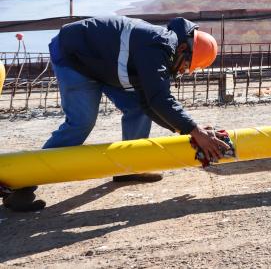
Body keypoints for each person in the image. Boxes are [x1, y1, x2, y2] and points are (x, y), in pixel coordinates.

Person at [1, 15, 229, 212]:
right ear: (182, 49)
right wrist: (195, 131)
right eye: (186, 65)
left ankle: (128, 167)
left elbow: (150, 103)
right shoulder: (157, 46)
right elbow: (160, 99)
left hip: (103, 63)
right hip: (75, 58)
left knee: (138, 109)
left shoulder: (162, 48)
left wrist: (188, 131)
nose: (181, 71)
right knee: (81, 122)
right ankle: (22, 186)